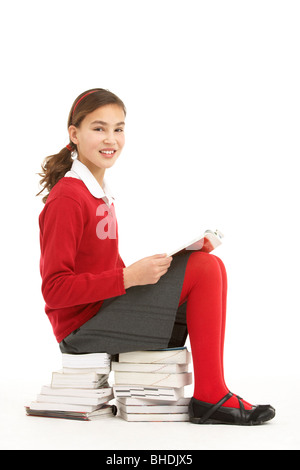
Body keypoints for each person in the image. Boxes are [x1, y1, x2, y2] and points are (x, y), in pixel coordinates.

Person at [37, 88, 275, 425]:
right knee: (204, 269)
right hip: (81, 330)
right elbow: (55, 290)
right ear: (74, 134)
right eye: (99, 128)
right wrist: (128, 278)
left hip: (101, 312)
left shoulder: (97, 193)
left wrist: (156, 272)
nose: (111, 139)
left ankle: (213, 391)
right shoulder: (68, 199)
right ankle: (211, 395)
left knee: (208, 265)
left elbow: (103, 268)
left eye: (119, 129)